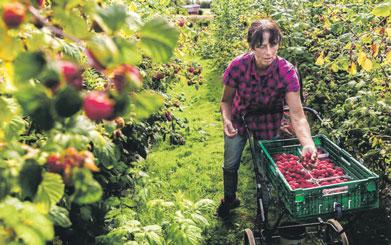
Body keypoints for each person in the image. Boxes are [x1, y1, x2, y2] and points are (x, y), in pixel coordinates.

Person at [217, 18, 317, 218]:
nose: (269, 52)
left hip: (269, 122)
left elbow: (297, 115)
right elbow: (226, 101)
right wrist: (226, 120)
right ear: (252, 46)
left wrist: (307, 143)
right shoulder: (238, 66)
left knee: (267, 170)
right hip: (240, 119)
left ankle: (264, 211)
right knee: (230, 163)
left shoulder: (286, 72)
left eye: (273, 44)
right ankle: (229, 199)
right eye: (261, 46)